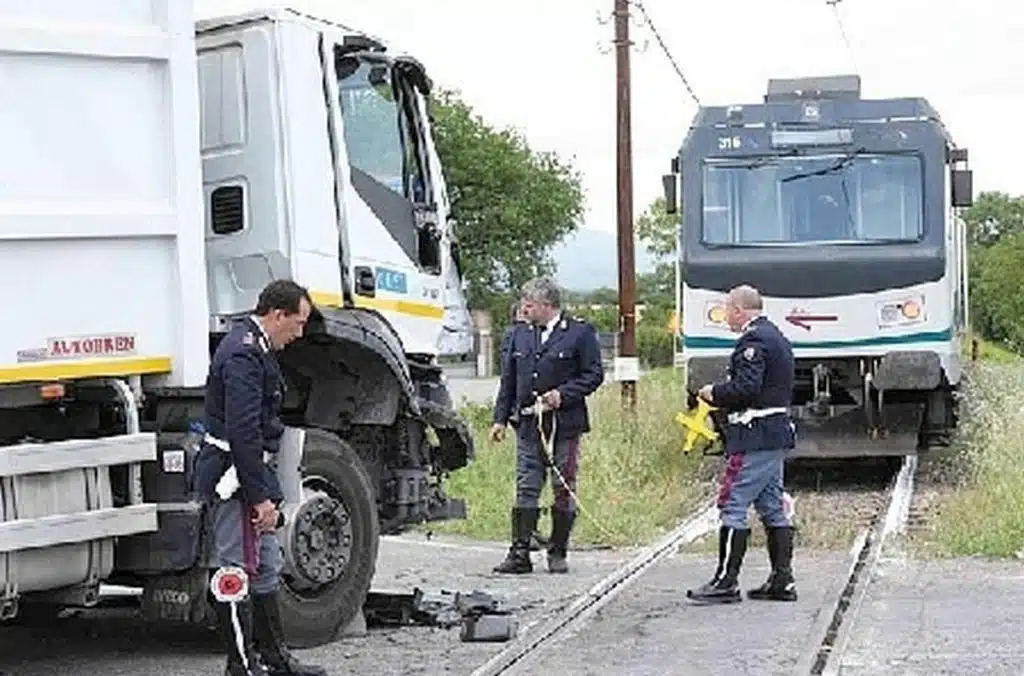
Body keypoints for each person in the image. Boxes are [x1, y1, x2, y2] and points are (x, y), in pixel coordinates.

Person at [193, 279, 327, 676]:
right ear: (276, 314)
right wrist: (260, 498)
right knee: (234, 566)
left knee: (267, 563)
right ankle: (240, 664)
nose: (299, 333)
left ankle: (273, 656)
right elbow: (243, 430)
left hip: (251, 470)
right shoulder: (243, 354)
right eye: (297, 323)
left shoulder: (257, 348)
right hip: (232, 474)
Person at [686, 284, 799, 605]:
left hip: (754, 434)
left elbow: (748, 387)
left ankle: (726, 581)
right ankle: (782, 580)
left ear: (739, 309)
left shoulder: (754, 341)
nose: (725, 317)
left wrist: (715, 393)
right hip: (775, 433)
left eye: (727, 310)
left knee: (732, 502)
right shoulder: (775, 335)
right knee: (771, 505)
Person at [489, 277, 604, 574]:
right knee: (526, 486)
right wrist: (500, 419)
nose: (524, 310)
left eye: (530, 305)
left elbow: (594, 375)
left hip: (564, 424)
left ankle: (558, 551)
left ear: (547, 305)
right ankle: (519, 553)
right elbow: (509, 381)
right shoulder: (519, 335)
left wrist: (563, 395)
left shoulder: (579, 333)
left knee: (563, 487)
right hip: (528, 423)